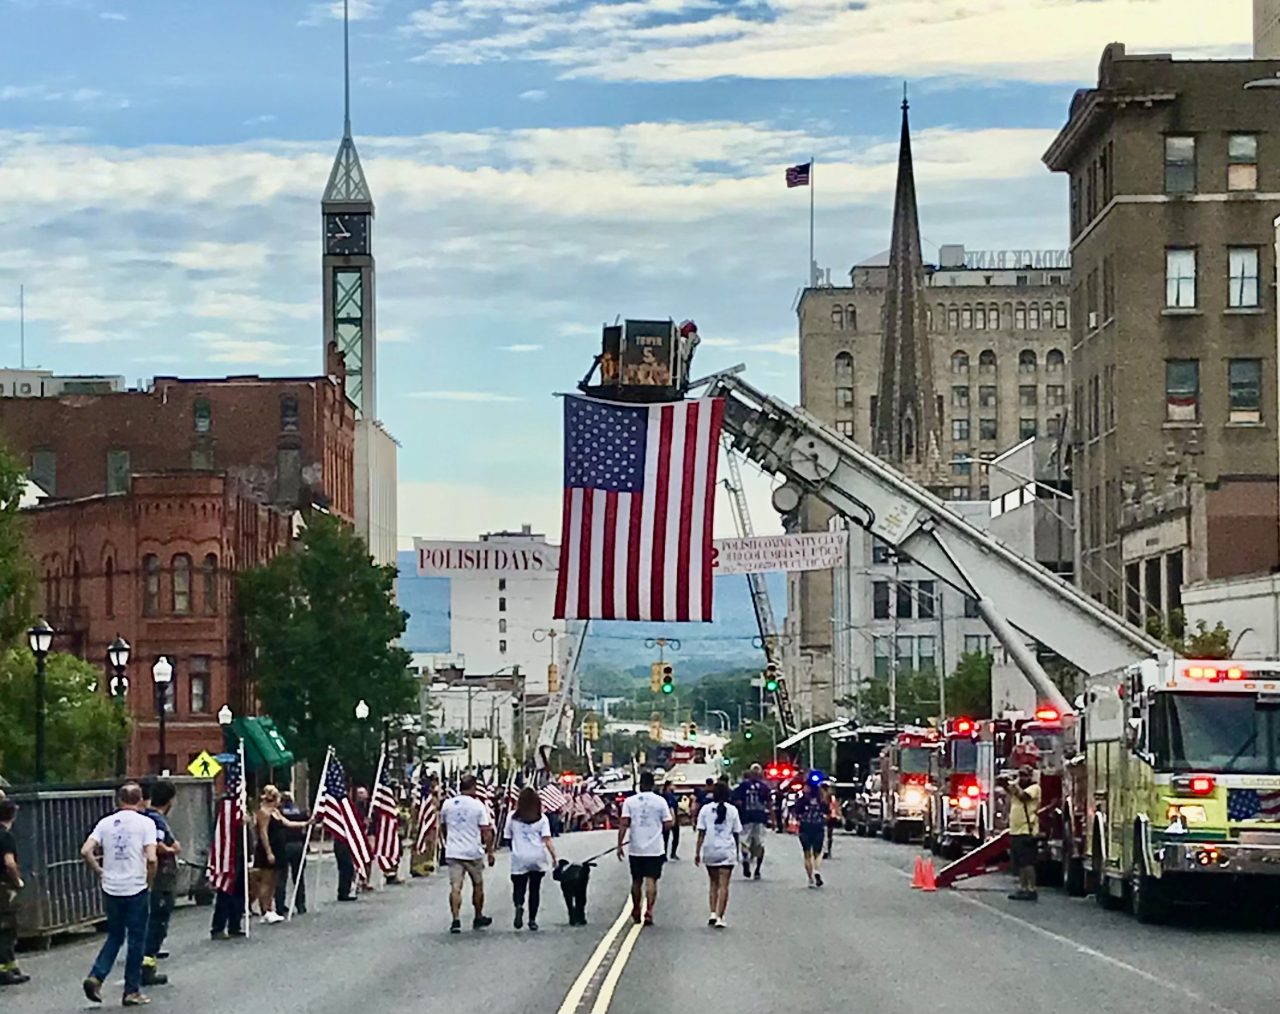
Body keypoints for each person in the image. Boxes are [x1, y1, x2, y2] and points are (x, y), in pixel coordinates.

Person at [81, 782, 158, 1007]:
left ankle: (97, 975)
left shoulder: (105, 823)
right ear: (140, 799)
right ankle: (131, 990)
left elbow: (86, 850)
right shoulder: (146, 824)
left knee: (115, 935)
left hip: (111, 886)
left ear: (119, 800)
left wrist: (100, 871)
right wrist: (148, 881)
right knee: (136, 938)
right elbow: (151, 858)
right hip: (135, 886)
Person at [440, 774, 495, 934]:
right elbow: (486, 830)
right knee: (477, 885)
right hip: (472, 851)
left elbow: (443, 826)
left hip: (453, 850)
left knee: (455, 887)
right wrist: (490, 851)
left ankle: (456, 919)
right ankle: (478, 915)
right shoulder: (478, 806)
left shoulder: (448, 804)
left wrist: (449, 841)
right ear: (473, 787)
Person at [617, 770, 673, 926]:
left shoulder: (630, 801)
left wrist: (620, 843)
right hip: (654, 848)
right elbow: (668, 823)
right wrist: (658, 829)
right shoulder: (660, 801)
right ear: (653, 784)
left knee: (636, 880)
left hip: (636, 848)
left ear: (640, 784)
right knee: (651, 880)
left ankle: (636, 908)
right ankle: (649, 910)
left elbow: (624, 823)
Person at [141, 780, 181, 987]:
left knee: (150, 920)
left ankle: (145, 961)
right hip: (161, 878)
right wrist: (173, 849)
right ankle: (147, 966)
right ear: (170, 799)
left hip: (151, 877)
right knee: (157, 922)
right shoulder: (156, 819)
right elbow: (156, 846)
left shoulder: (145, 816)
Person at [253, 786, 306, 924]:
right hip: (268, 849)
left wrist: (306, 823)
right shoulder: (263, 813)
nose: (280, 801)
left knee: (274, 881)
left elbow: (288, 823)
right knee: (266, 880)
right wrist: (268, 852)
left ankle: (270, 908)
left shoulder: (275, 812)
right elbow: (263, 833)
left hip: (279, 848)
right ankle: (265, 910)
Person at [506, 786, 557, 932]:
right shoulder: (542, 818)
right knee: (535, 889)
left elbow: (508, 837)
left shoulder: (512, 817)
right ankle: (532, 920)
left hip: (519, 856)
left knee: (518, 887)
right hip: (537, 857)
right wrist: (554, 857)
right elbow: (547, 840)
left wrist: (515, 850)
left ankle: (519, 905)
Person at [694, 781, 742, 929]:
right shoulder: (732, 810)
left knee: (713, 883)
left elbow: (701, 832)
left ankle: (713, 913)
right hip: (726, 850)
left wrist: (697, 852)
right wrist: (737, 852)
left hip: (710, 849)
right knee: (724, 885)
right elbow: (736, 832)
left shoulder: (705, 810)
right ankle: (721, 916)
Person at [1001, 765, 1041, 901]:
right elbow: (1009, 794)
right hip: (1016, 831)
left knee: (1028, 863)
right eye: (1021, 775)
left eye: (1025, 775)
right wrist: (1005, 783)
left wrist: (1012, 786)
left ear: (1031, 776)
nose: (1023, 778)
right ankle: (1023, 888)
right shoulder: (1016, 788)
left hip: (1027, 830)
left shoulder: (1034, 788)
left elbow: (1023, 797)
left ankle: (1031, 888)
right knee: (1020, 864)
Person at [0, 799, 28, 987]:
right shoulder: (6, 837)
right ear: (13, 815)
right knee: (6, 929)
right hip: (2, 888)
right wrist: (17, 880)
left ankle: (11, 967)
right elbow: (9, 863)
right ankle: (5, 970)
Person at [732, 764, 771, 880]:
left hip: (746, 817)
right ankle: (758, 869)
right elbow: (769, 803)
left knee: (745, 842)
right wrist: (772, 819)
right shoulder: (764, 787)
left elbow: (736, 801)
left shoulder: (743, 786)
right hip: (760, 818)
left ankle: (745, 859)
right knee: (760, 843)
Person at [273, 792, 309, 916]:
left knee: (281, 878)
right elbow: (306, 827)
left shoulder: (279, 813)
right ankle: (301, 904)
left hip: (284, 845)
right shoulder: (299, 812)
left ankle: (280, 905)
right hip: (298, 844)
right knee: (298, 877)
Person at [795, 780, 828, 888]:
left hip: (805, 827)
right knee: (818, 853)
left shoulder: (803, 800)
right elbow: (826, 812)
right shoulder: (821, 800)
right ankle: (817, 870)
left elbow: (796, 812)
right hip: (818, 827)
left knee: (807, 854)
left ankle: (810, 878)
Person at [660, 780, 681, 860]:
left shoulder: (666, 795)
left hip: (666, 818)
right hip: (670, 817)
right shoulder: (669, 795)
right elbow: (671, 807)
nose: (674, 786)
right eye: (673, 785)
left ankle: (665, 854)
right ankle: (671, 853)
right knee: (672, 837)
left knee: (666, 837)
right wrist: (673, 819)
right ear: (668, 786)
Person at [821, 782, 839, 860]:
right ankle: (825, 850)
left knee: (828, 835)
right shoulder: (821, 797)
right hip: (827, 816)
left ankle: (827, 851)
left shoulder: (830, 798)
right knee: (826, 835)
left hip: (829, 816)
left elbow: (833, 807)